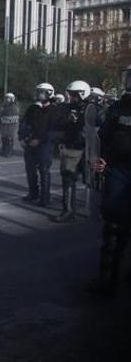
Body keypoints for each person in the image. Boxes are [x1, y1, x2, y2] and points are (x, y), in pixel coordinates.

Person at [85, 65, 131, 298]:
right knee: (113, 225)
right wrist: (99, 160)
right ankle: (106, 278)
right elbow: (102, 137)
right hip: (118, 170)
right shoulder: (118, 108)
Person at [51, 81, 91, 223]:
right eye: (71, 94)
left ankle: (93, 210)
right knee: (68, 179)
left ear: (82, 94)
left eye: (74, 94)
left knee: (92, 180)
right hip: (72, 148)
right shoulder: (65, 108)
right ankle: (68, 210)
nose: (71, 98)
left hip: (89, 149)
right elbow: (55, 124)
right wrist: (67, 120)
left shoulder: (91, 108)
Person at [19, 83, 57, 206]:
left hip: (44, 145)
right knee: (30, 170)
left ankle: (45, 198)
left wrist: (39, 140)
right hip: (30, 143)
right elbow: (24, 123)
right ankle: (33, 193)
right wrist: (22, 138)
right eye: (38, 91)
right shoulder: (33, 108)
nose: (39, 94)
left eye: (42, 92)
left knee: (44, 170)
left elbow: (53, 130)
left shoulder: (54, 110)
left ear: (49, 93)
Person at [0, 93, 19, 157]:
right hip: (4, 126)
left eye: (8, 98)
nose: (7, 99)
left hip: (11, 126)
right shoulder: (4, 106)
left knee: (9, 138)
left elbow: (14, 117)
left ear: (12, 99)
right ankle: (4, 150)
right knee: (4, 138)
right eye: (6, 98)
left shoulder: (14, 107)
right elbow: (0, 115)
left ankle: (9, 152)